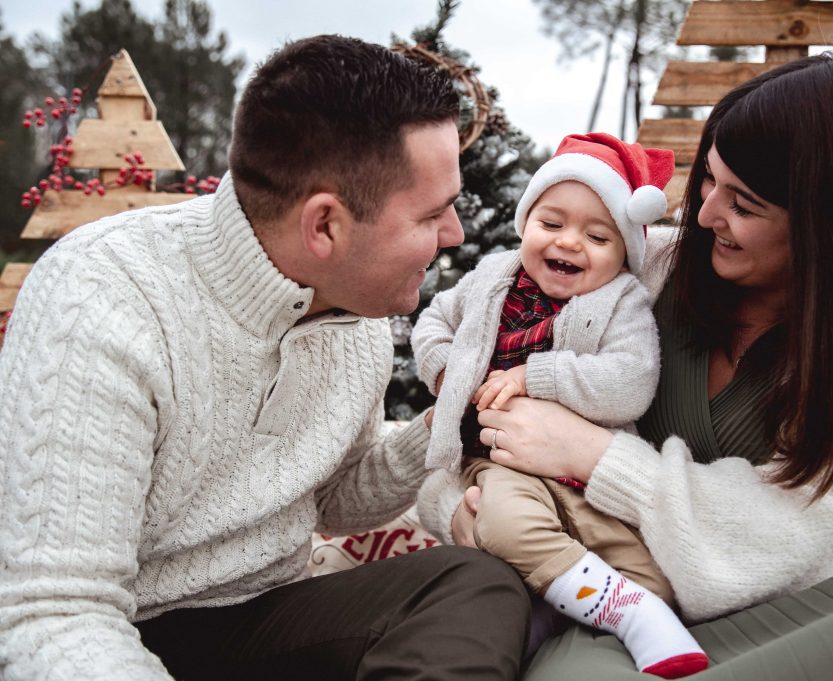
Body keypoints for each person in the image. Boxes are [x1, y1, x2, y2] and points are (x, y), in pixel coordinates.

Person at [422, 52, 833, 679]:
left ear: (829, 225)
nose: (706, 214)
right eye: (710, 180)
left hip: (796, 620)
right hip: (619, 603)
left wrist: (596, 457)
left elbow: (806, 539)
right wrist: (463, 511)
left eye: (745, 203)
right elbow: (460, 414)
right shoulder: (644, 271)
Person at [0, 35, 532, 681]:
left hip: (265, 621)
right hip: (113, 630)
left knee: (472, 583)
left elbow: (337, 497)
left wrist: (451, 414)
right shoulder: (104, 296)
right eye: (432, 212)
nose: (455, 234)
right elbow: (55, 612)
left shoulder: (353, 312)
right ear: (325, 226)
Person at [413, 133, 708, 678]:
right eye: (551, 224)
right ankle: (624, 613)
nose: (569, 243)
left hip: (586, 478)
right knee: (504, 528)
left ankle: (584, 610)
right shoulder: (490, 279)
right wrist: (443, 366)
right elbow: (433, 319)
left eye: (597, 235)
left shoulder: (621, 301)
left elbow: (631, 381)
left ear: (624, 252)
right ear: (526, 224)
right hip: (502, 460)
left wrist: (536, 376)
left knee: (653, 576)